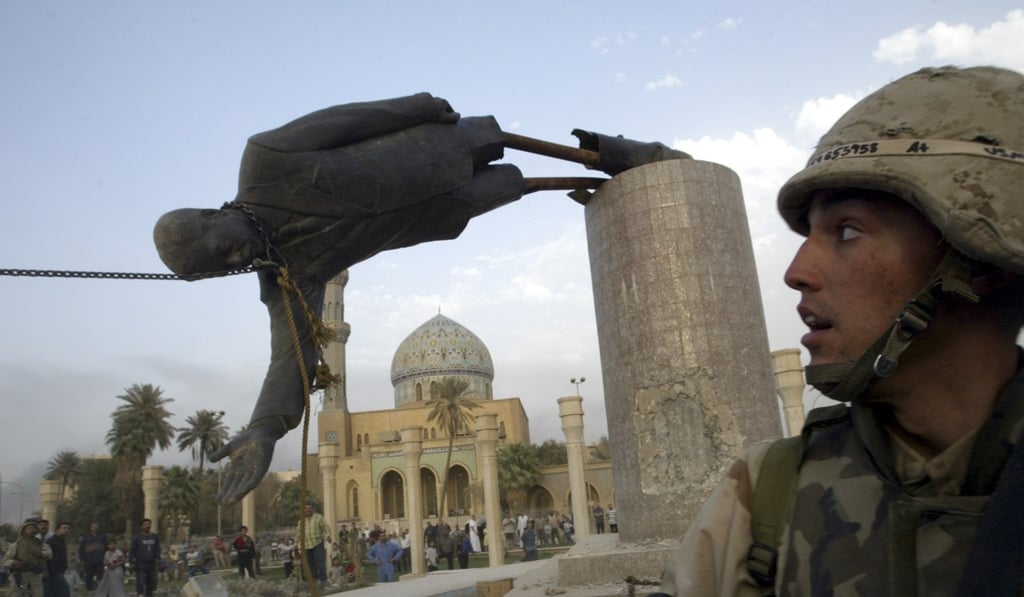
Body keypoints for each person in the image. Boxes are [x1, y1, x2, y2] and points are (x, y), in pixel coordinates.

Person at [660, 65, 1024, 596]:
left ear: (978, 261)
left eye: (848, 230)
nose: (795, 273)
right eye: (810, 233)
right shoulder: (768, 493)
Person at [297, 504, 331, 585]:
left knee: (320, 562)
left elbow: (325, 527)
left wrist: (328, 535)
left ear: (312, 509)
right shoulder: (301, 521)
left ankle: (323, 580)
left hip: (317, 543)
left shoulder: (318, 517)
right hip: (306, 545)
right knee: (310, 564)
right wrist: (296, 544)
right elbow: (298, 534)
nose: (308, 510)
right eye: (306, 509)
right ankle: (314, 581)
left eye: (310, 508)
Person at [10, 521, 45, 597]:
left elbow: (49, 554)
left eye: (33, 528)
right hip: (21, 573)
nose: (31, 530)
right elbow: (6, 560)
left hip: (36, 573)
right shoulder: (16, 544)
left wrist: (40, 554)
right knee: (20, 593)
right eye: (29, 528)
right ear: (23, 531)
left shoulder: (41, 544)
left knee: (38, 593)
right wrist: (13, 562)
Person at [128, 518, 160, 597]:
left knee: (152, 581)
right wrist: (131, 561)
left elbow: (157, 549)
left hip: (151, 563)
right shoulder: (137, 538)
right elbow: (132, 550)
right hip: (140, 563)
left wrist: (157, 558)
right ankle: (140, 594)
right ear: (141, 527)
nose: (148, 526)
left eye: (149, 524)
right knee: (141, 582)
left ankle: (149, 595)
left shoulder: (155, 537)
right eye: (145, 524)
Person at [43, 521, 71, 597]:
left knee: (53, 593)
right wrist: (46, 571)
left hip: (60, 571)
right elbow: (45, 557)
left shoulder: (62, 541)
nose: (66, 530)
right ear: (57, 529)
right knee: (64, 591)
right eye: (64, 528)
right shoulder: (51, 541)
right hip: (52, 572)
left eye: (68, 528)